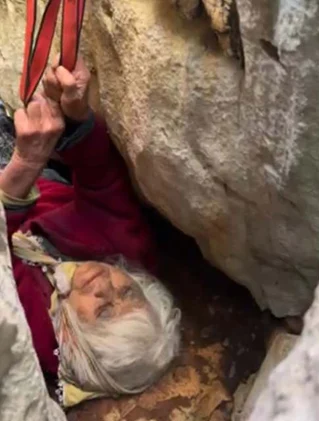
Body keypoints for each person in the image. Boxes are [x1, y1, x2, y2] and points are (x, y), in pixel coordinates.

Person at [3, 57, 181, 407]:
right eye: (128, 294)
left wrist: (20, 172)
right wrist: (75, 114)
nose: (105, 286)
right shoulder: (129, 253)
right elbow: (101, 179)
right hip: (34, 172)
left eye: (103, 312)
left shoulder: (31, 334)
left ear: (75, 340)